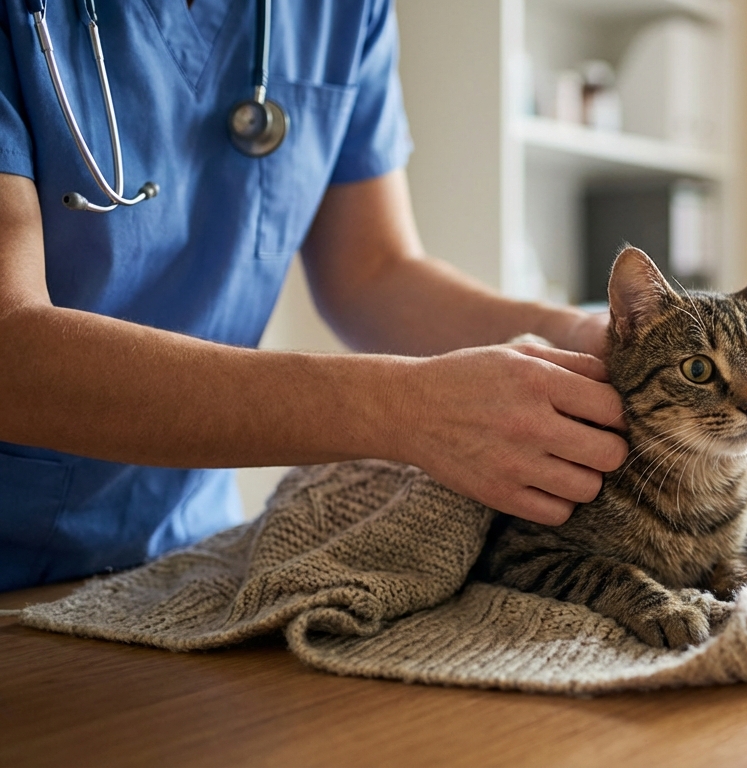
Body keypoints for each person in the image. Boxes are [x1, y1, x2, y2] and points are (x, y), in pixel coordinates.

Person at [0, 0, 628, 591]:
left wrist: (575, 336)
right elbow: (10, 345)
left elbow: (374, 272)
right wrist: (408, 409)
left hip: (186, 555)